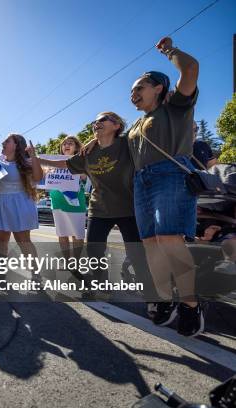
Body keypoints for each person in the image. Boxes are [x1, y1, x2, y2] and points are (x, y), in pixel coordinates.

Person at [128, 36, 203, 336]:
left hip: (170, 173)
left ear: (159, 88)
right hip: (141, 180)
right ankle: (163, 299)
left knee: (170, 240)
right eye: (131, 90)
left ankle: (189, 305)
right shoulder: (135, 125)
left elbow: (192, 69)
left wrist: (169, 51)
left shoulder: (175, 106)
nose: (133, 92)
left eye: (139, 87)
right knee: (150, 245)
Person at [42, 112, 157, 301]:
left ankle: (151, 293)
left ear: (117, 125)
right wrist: (40, 160)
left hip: (128, 207)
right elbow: (65, 164)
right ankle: (101, 286)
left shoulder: (127, 143)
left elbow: (144, 125)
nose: (96, 123)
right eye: (95, 121)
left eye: (102, 120)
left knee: (136, 253)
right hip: (99, 208)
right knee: (95, 250)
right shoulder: (88, 153)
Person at [0, 134, 43, 281]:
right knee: (1, 241)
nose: (3, 143)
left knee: (23, 241)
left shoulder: (27, 162)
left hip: (19, 204)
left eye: (7, 141)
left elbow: (38, 178)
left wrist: (34, 156)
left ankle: (35, 274)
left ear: (17, 145)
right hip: (0, 203)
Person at [47, 136, 86, 266]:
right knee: (62, 234)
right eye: (64, 144)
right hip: (57, 202)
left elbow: (86, 177)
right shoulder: (53, 162)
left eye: (70, 143)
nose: (66, 145)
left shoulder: (81, 160)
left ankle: (76, 262)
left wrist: (81, 174)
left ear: (76, 147)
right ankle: (67, 262)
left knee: (77, 235)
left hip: (75, 203)